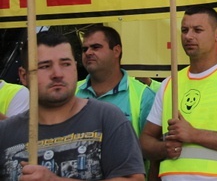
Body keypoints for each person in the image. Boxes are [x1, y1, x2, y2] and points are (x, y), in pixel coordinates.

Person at [140, 5, 217, 181]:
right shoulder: (169, 83)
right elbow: (145, 140)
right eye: (184, 30)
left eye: (198, 30)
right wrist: (163, 149)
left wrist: (194, 134)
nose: (188, 36)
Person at [0, 30, 145, 180]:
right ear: (24, 76)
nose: (57, 74)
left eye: (65, 64)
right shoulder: (5, 133)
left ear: (75, 67)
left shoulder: (107, 119)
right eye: (45, 66)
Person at [77, 25, 156, 137]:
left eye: (95, 47)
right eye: (84, 49)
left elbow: (151, 147)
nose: (88, 53)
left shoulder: (144, 96)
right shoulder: (71, 92)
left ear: (116, 51)